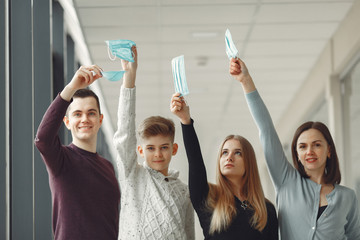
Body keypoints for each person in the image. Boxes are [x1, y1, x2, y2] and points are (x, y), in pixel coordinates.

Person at [229, 57, 360, 239]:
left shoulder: (348, 198)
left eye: (317, 145)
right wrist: (246, 81)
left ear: (329, 150)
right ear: (297, 154)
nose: (309, 152)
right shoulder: (286, 182)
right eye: (303, 147)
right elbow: (266, 128)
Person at [170, 93, 278, 239]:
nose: (229, 157)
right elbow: (195, 163)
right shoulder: (208, 197)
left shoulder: (267, 209)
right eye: (224, 153)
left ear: (249, 162)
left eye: (238, 153)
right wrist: (185, 121)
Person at [113, 46, 195, 240]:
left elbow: (189, 232)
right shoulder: (132, 176)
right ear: (140, 150)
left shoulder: (184, 191)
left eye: (164, 147)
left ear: (174, 149)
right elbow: (125, 133)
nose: (157, 154)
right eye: (150, 148)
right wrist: (129, 79)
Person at [34, 65, 120, 239]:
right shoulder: (61, 160)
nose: (85, 119)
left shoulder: (108, 167)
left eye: (91, 113)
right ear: (66, 122)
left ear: (100, 119)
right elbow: (42, 139)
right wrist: (71, 88)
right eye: (77, 114)